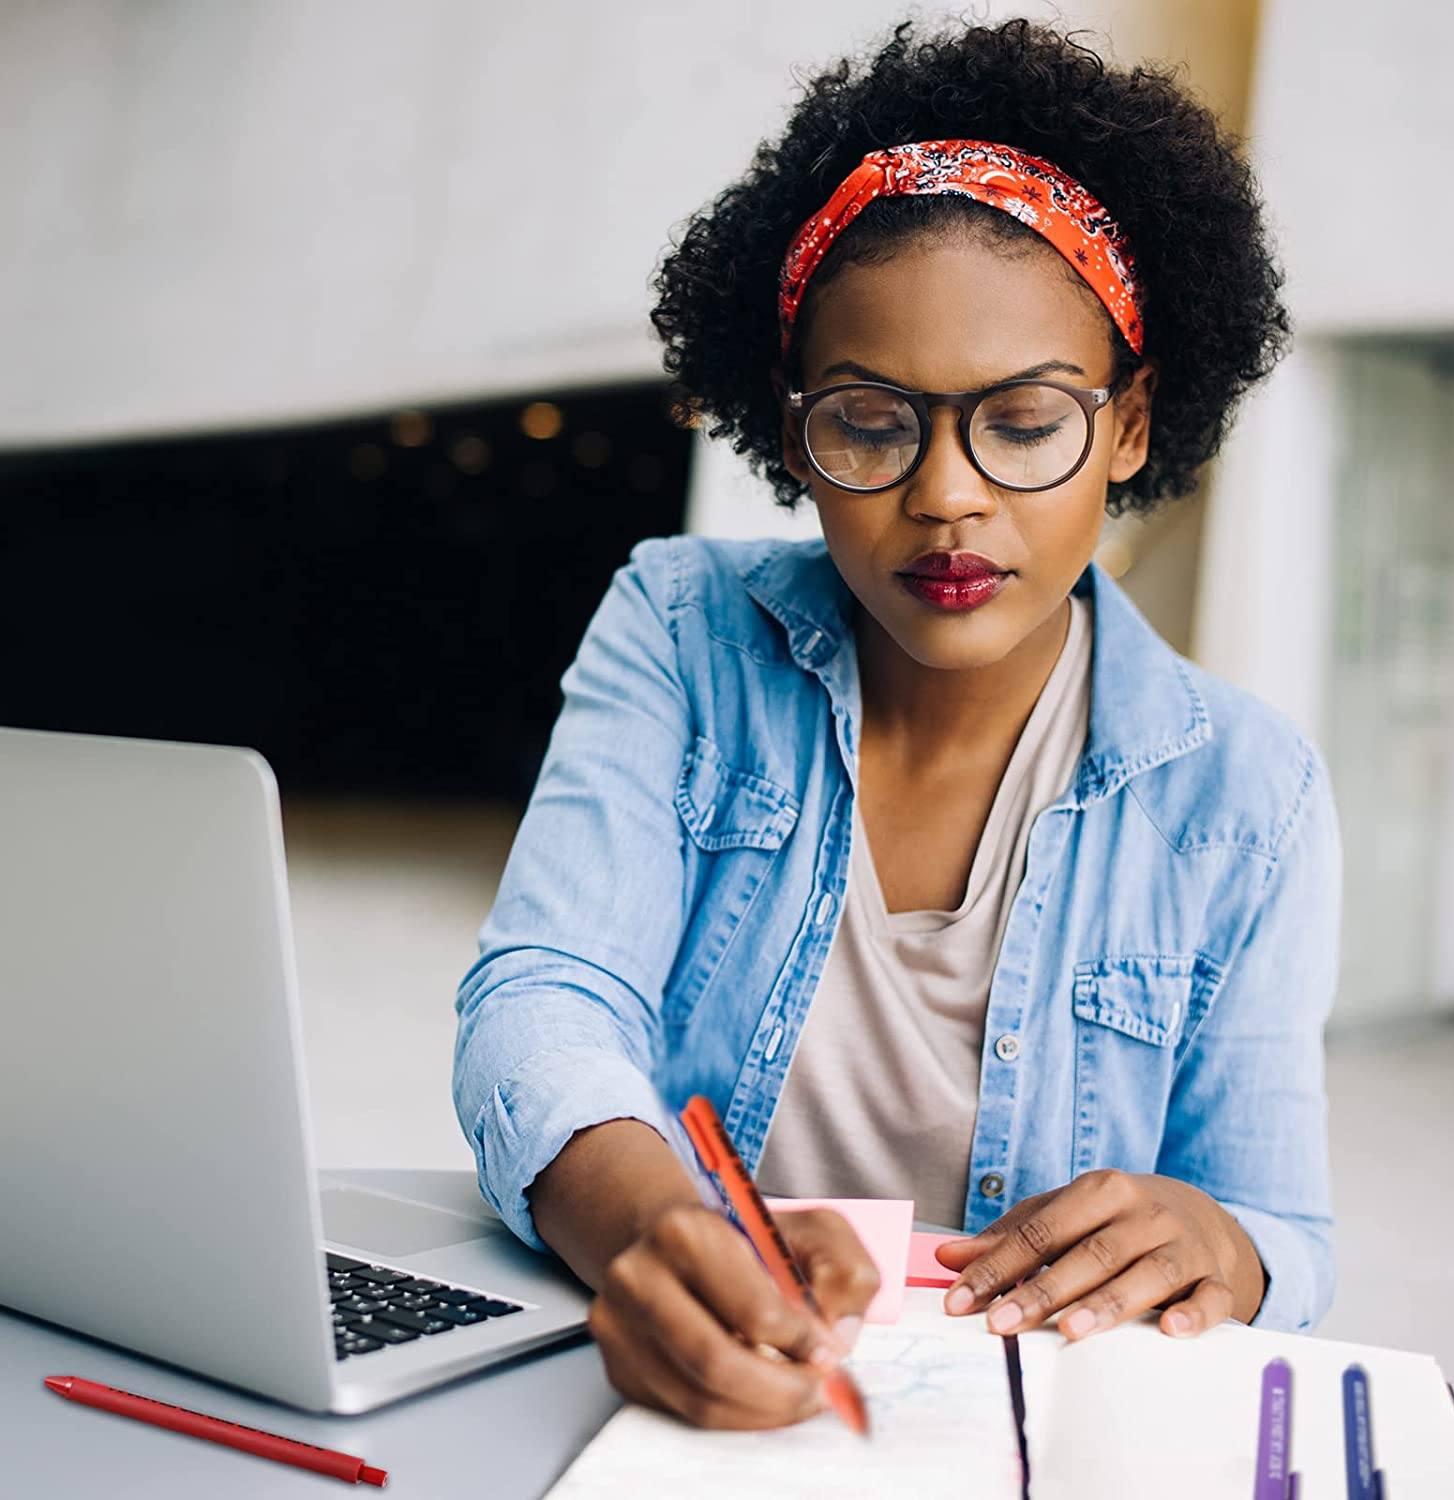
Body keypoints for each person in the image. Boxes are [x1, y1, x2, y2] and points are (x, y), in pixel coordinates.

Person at [452, 17, 1340, 1431]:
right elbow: (546, 995)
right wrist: (657, 1233)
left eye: (1025, 422)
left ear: (1128, 425)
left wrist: (1224, 1245)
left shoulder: (1250, 794)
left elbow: (1284, 1227)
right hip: (682, 1417)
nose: (945, 496)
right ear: (790, 427)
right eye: (871, 424)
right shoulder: (683, 629)